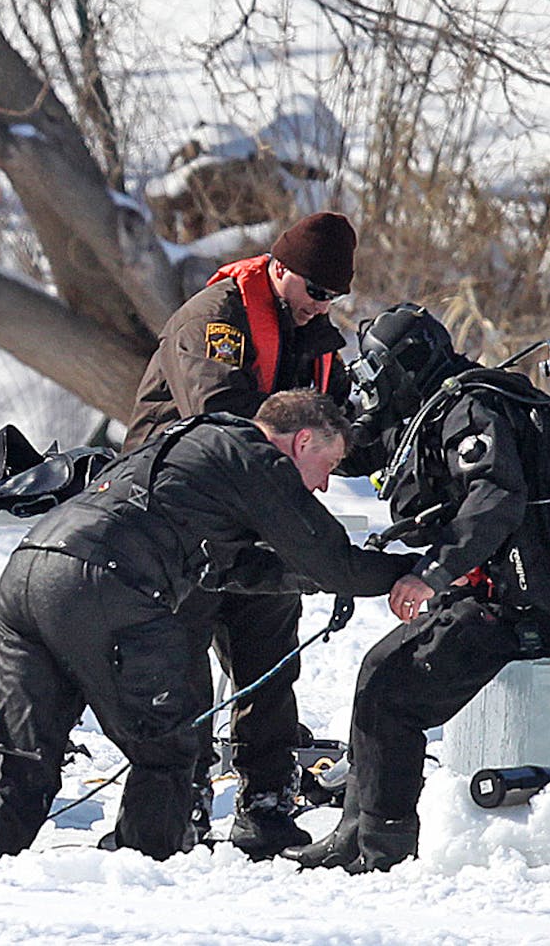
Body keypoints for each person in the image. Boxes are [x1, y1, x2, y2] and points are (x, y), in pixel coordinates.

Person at [0, 390, 418, 861]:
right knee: (168, 752)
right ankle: (144, 873)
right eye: (329, 464)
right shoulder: (257, 459)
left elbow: (222, 569)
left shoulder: (194, 441)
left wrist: (304, 579)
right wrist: (405, 573)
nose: (324, 485)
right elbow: (331, 560)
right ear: (302, 442)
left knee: (22, 755)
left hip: (28, 571)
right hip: (108, 585)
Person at [283, 303, 550, 873]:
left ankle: (384, 850)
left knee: (391, 691)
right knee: (380, 674)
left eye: (375, 368)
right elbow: (363, 448)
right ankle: (356, 831)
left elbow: (496, 499)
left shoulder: (470, 410)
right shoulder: (430, 410)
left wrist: (431, 574)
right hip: (492, 594)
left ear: (406, 364)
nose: (369, 381)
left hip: (523, 603)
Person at [122, 211, 360, 857]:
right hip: (183, 514)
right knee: (185, 662)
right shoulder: (215, 318)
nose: (323, 307)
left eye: (334, 296)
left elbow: (335, 422)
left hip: (260, 514)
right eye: (316, 291)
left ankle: (266, 801)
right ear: (280, 270)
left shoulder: (315, 334)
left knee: (270, 659)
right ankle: (184, 802)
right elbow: (219, 417)